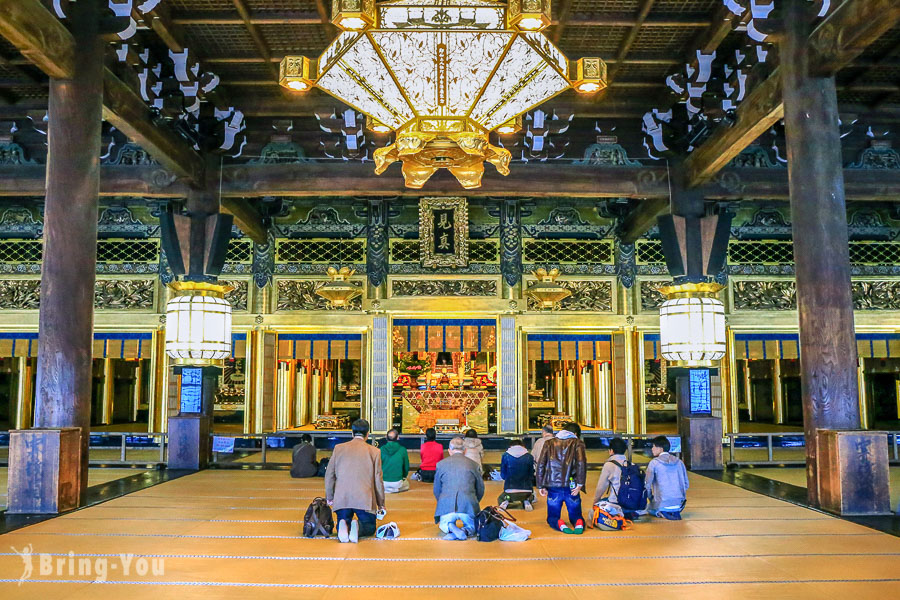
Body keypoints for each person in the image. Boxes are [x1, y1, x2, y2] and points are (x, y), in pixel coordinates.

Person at [325, 419, 385, 543]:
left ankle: (343, 525)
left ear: (352, 433)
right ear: (367, 434)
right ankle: (357, 528)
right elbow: (378, 479)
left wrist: (330, 497)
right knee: (369, 527)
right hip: (364, 499)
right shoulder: (375, 451)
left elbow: (329, 475)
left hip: (343, 498)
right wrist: (381, 503)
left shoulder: (338, 448)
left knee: (343, 517)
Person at [536, 421, 587, 534]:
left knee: (553, 515)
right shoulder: (578, 443)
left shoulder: (549, 443)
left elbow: (541, 464)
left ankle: (560, 524)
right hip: (572, 485)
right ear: (574, 433)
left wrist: (540, 485)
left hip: (553, 485)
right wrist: (580, 484)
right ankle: (578, 523)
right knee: (575, 512)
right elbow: (581, 463)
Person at [433, 436, 484, 541]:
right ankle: (465, 531)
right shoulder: (473, 465)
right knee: (473, 527)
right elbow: (480, 489)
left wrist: (443, 501)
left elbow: (436, 489)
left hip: (446, 503)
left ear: (449, 451)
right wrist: (474, 501)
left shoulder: (440, 464)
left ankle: (450, 527)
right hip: (467, 503)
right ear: (465, 450)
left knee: (443, 525)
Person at [645, 436, 689, 520]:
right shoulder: (679, 462)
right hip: (679, 505)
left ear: (660, 449)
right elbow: (686, 484)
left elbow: (647, 485)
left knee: (648, 509)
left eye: (653, 446)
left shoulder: (654, 463)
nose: (652, 449)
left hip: (662, 503)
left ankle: (660, 512)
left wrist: (651, 498)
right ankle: (672, 511)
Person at [498, 439, 535, 511]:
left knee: (501, 498)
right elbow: (531, 475)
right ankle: (526, 500)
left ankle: (506, 500)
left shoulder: (505, 456)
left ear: (510, 446)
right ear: (522, 446)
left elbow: (503, 475)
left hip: (509, 489)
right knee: (529, 494)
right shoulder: (529, 456)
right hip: (527, 490)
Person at [592, 437, 628, 507]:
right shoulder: (630, 464)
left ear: (611, 451)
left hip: (615, 502)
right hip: (630, 503)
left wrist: (595, 501)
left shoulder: (609, 465)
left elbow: (601, 487)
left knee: (593, 512)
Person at [381, 427, 410, 493]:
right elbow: (406, 467)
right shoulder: (403, 450)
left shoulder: (381, 449)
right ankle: (395, 489)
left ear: (386, 437)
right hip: (397, 482)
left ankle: (386, 489)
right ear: (397, 438)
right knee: (407, 484)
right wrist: (404, 477)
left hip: (383, 482)